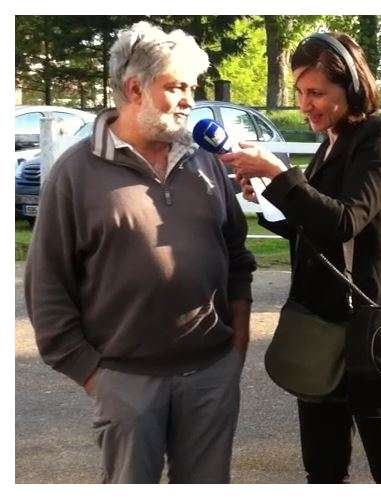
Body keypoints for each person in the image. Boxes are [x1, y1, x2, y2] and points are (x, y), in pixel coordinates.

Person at [25, 21, 256, 483]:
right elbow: (46, 286)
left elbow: (236, 255)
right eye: (176, 87)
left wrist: (236, 347)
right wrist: (94, 375)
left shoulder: (206, 163)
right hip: (125, 383)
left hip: (211, 373)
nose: (189, 101)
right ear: (134, 89)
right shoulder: (75, 173)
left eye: (191, 88)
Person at [219, 32, 381, 484]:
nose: (303, 104)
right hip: (322, 327)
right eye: (299, 91)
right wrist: (268, 197)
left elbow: (345, 220)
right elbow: (312, 228)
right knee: (322, 468)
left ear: (351, 86)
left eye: (315, 92)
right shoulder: (331, 141)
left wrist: (278, 173)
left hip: (374, 327)